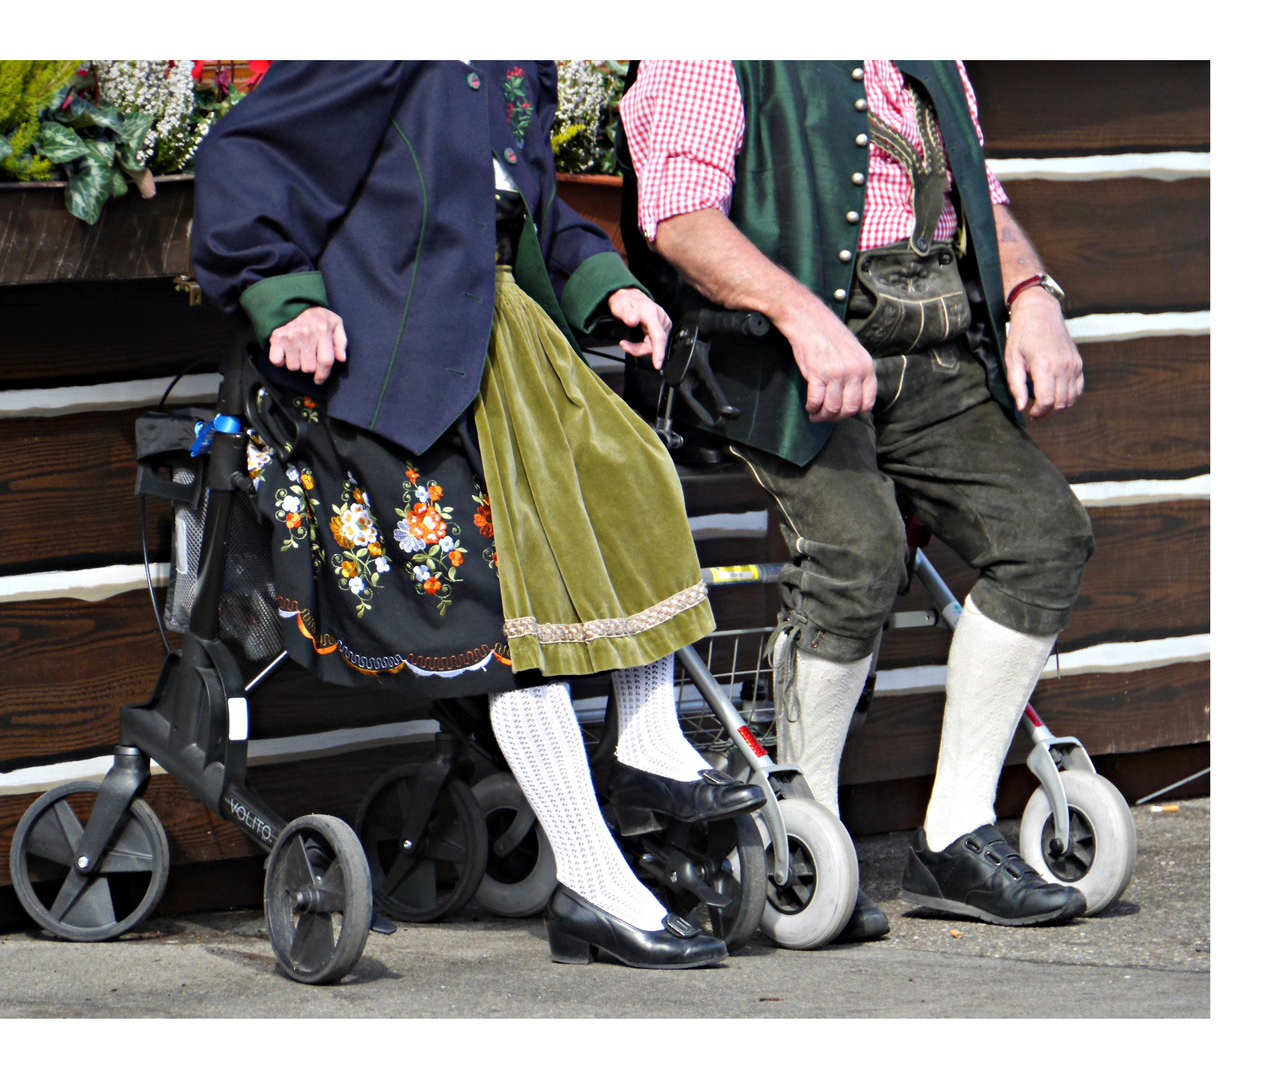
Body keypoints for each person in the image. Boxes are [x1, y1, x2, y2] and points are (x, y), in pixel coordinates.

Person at [191, 60, 765, 969]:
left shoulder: (510, 61)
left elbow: (531, 206)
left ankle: (647, 736)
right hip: (392, 363)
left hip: (502, 338)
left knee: (630, 481)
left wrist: (606, 284)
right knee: (500, 610)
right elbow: (247, 155)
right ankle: (594, 884)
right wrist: (283, 296)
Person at [619, 61, 1095, 936]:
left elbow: (974, 192)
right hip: (768, 356)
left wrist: (1032, 294)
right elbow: (680, 217)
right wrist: (803, 318)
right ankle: (806, 832)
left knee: (1044, 536)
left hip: (932, 350)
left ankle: (955, 837)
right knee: (858, 548)